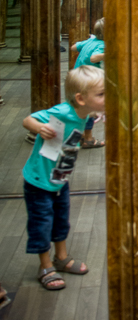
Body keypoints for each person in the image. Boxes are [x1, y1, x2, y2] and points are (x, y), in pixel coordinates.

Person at [21, 65, 105, 290]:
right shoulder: (62, 112)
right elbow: (27, 120)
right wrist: (40, 128)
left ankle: (61, 257)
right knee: (42, 223)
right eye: (101, 94)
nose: (106, 98)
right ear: (80, 99)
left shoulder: (84, 112)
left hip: (60, 179)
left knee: (61, 219)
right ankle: (45, 266)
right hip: (39, 182)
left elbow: (95, 112)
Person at [72, 19, 105, 148]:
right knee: (89, 108)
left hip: (77, 78)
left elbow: (73, 47)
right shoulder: (102, 44)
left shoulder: (90, 41)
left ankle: (80, 136)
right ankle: (88, 139)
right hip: (87, 81)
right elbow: (94, 58)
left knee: (81, 108)